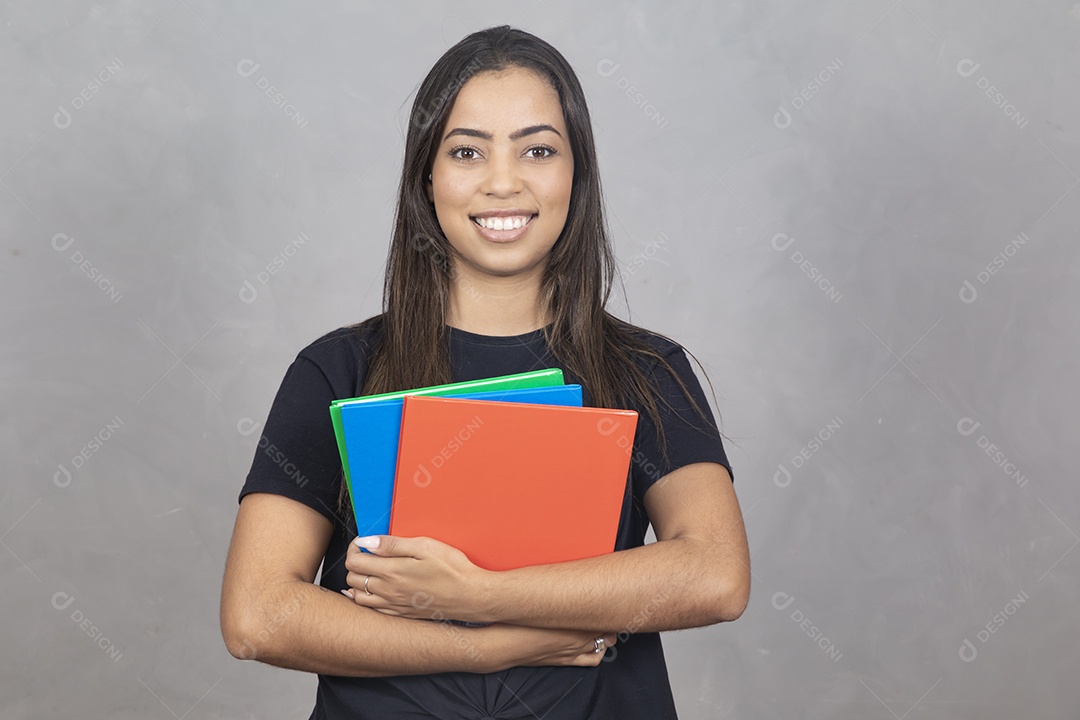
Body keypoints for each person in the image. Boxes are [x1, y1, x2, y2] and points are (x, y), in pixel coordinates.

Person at [220, 24, 750, 720]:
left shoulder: (646, 372)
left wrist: (481, 596)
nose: (504, 182)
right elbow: (257, 614)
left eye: (538, 150)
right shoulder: (339, 370)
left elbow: (716, 574)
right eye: (467, 152)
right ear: (427, 179)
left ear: (576, 175)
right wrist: (484, 645)